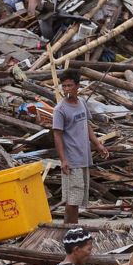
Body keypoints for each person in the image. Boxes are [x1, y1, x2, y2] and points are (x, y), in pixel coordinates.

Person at [52, 69, 108, 224]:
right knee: (72, 198)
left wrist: (98, 144)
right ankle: (70, 228)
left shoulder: (82, 103)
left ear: (77, 86)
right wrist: (63, 160)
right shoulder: (60, 110)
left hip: (84, 157)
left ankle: (70, 227)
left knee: (78, 198)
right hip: (71, 160)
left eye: (70, 85)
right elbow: (57, 135)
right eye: (64, 86)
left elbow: (87, 125)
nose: (67, 89)